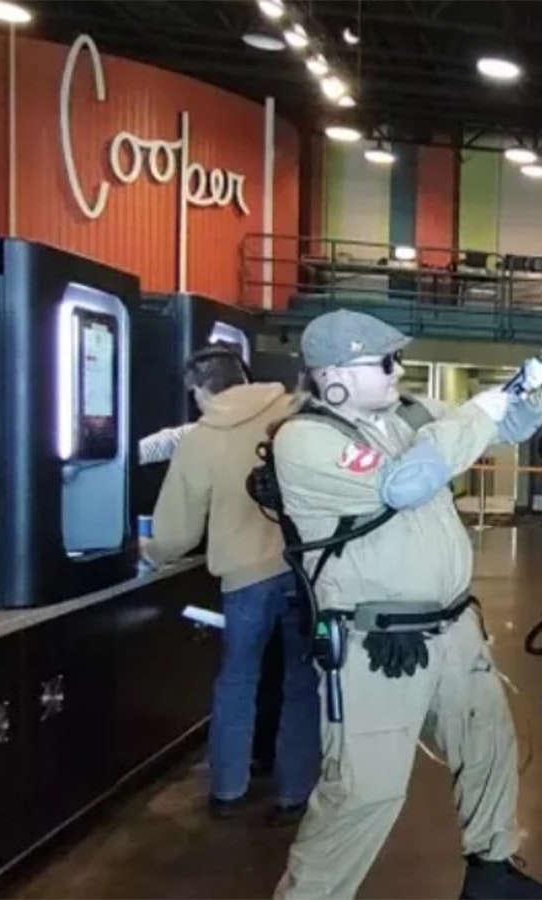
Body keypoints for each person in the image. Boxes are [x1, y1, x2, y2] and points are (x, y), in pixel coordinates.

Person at [270, 309, 542, 899]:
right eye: (385, 361)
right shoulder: (305, 440)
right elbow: (407, 482)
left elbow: (508, 423)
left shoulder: (403, 416)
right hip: (377, 645)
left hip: (451, 630)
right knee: (364, 792)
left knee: (489, 745)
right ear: (334, 376)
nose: (399, 371)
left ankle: (492, 876)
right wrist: (489, 405)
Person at [142, 344, 317, 824]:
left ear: (200, 391)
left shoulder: (203, 437)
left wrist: (152, 552)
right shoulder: (295, 412)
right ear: (244, 375)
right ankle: (295, 792)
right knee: (302, 682)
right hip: (306, 572)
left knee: (238, 680)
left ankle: (229, 788)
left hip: (244, 580)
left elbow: (176, 532)